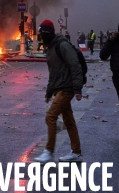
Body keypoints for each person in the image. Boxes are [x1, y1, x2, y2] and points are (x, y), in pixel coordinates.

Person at [34, 20, 83, 163]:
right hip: (59, 88)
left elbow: (75, 66)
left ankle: (48, 151)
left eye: (43, 33)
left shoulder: (62, 45)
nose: (41, 36)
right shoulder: (50, 48)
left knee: (50, 116)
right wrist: (49, 92)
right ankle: (76, 152)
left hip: (66, 88)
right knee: (69, 121)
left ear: (48, 32)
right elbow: (53, 73)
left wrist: (78, 89)